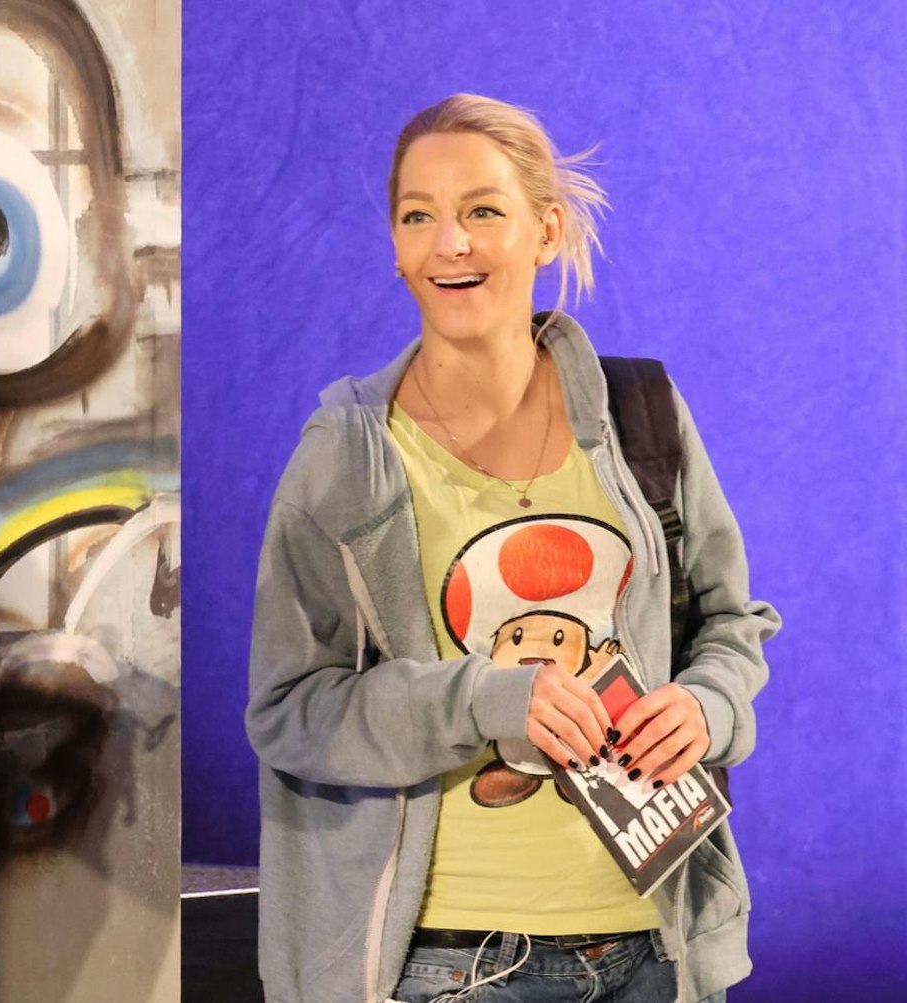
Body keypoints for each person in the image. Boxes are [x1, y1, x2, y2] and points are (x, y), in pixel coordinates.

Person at [245, 94, 777, 1003]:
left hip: (655, 952)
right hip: (447, 963)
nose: (450, 243)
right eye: (419, 216)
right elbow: (290, 709)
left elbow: (731, 620)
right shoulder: (348, 455)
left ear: (547, 231)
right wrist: (485, 696)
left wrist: (707, 706)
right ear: (396, 247)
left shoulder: (642, 417)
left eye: (483, 210)